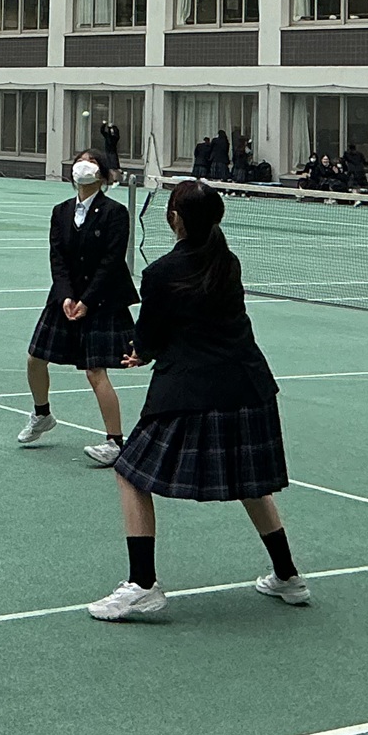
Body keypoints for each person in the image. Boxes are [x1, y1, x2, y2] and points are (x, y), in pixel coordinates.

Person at [89, 180, 309, 621]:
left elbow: (150, 335)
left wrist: (139, 352)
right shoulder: (227, 261)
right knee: (252, 484)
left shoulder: (162, 273)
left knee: (129, 472)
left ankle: (142, 584)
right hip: (248, 386)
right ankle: (288, 576)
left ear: (174, 218)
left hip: (192, 392)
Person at [17, 155, 136, 466]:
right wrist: (66, 296)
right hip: (66, 298)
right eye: (80, 161)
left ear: (102, 175)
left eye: (91, 161)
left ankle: (115, 442)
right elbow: (57, 258)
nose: (83, 165)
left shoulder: (115, 213)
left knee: (95, 371)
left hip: (102, 299)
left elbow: (112, 261)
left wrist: (87, 301)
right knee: (35, 358)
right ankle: (42, 414)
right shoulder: (61, 211)